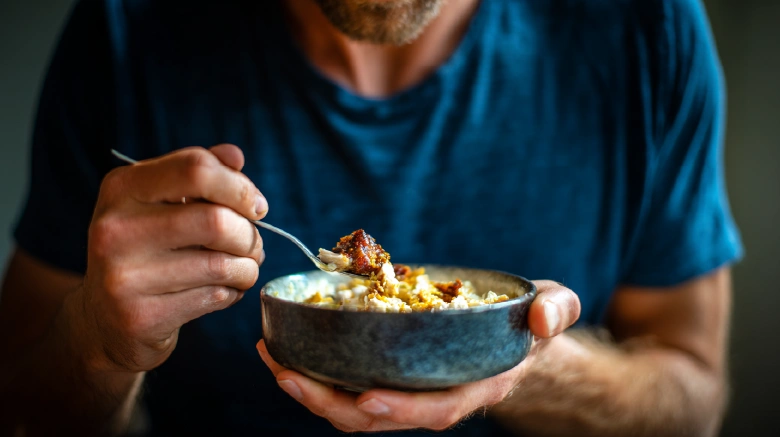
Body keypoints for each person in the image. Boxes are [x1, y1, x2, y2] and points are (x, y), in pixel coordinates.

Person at [0, 0, 742, 435]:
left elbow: (693, 396)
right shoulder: (127, 32)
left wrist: (528, 362)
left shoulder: (645, 30)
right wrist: (98, 344)